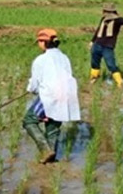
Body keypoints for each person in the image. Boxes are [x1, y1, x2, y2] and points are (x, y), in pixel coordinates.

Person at [23, 28, 81, 164]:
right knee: (52, 128)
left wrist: (30, 89)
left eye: (39, 41)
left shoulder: (41, 59)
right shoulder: (64, 57)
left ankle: (45, 149)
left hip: (50, 95)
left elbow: (35, 84)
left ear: (44, 42)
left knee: (29, 121)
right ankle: (50, 160)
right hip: (67, 95)